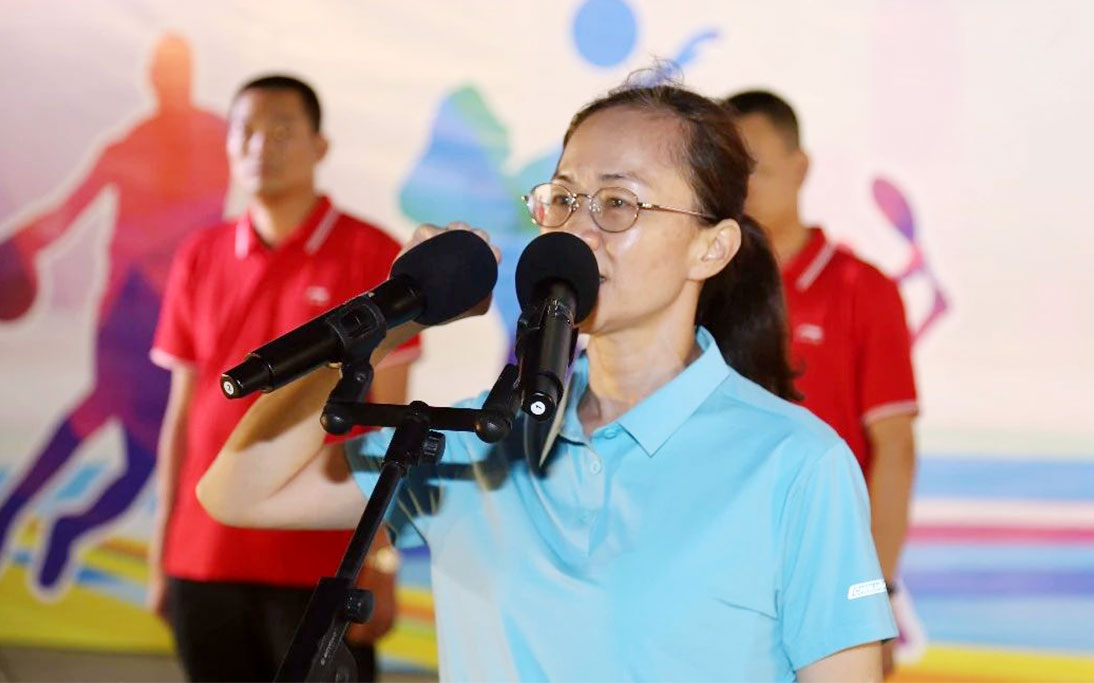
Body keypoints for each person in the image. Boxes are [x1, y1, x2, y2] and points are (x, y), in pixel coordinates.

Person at [198, 82, 895, 681]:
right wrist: (390, 321)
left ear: (711, 247)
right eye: (563, 200)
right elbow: (237, 492)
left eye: (618, 204)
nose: (577, 232)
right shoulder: (478, 439)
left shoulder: (796, 463)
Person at [149, 74, 419, 682]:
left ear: (320, 146)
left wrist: (382, 562)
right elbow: (183, 418)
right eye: (244, 131)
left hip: (323, 564)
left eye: (281, 131)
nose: (259, 147)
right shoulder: (200, 254)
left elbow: (390, 427)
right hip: (204, 557)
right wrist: (163, 549)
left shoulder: (372, 254)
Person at [0, 33, 229, 592]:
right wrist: (21, 246)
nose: (169, 79)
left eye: (178, 68)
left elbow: (209, 215)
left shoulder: (220, 137)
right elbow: (67, 212)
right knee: (99, 406)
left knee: (141, 466)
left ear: (190, 74)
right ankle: (10, 514)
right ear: (151, 78)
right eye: (161, 69)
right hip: (129, 310)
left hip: (184, 323)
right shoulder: (127, 147)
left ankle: (67, 527)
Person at [728, 90, 919, 676]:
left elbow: (895, 448)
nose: (742, 187)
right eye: (729, 172)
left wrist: (875, 595)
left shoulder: (863, 288)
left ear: (800, 167)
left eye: (756, 168)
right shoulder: (706, 288)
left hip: (828, 572)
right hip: (727, 572)